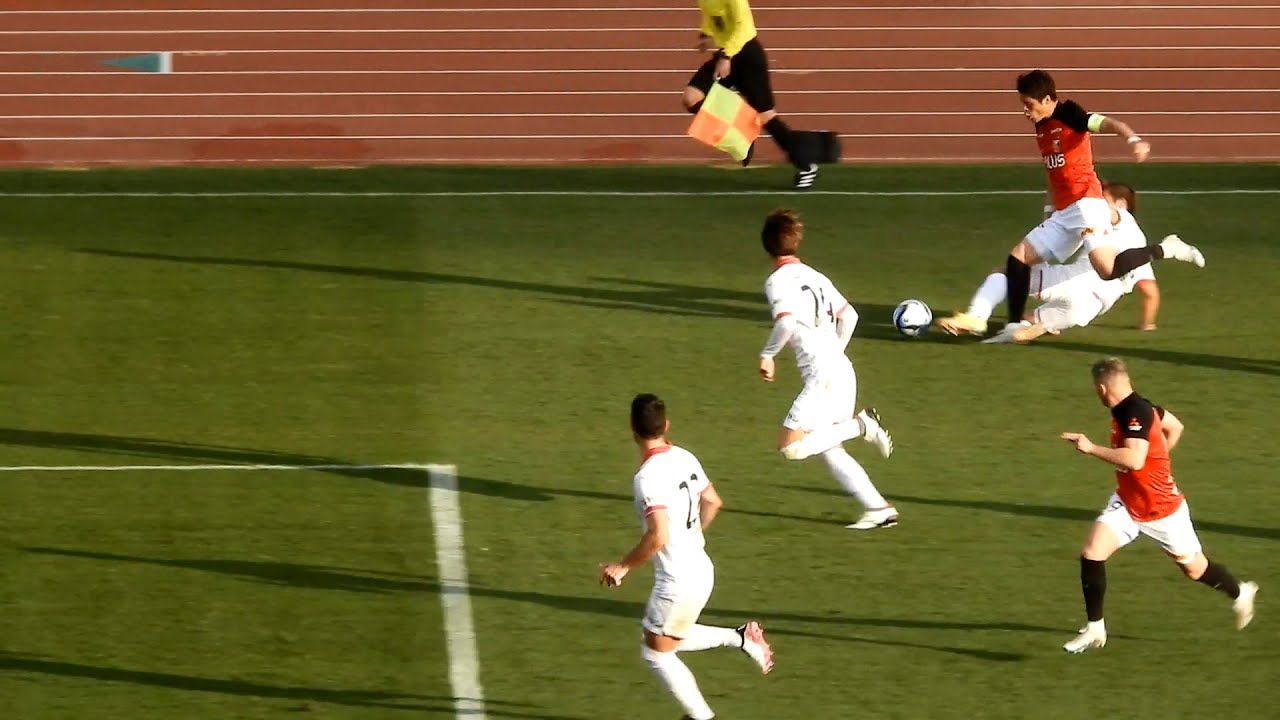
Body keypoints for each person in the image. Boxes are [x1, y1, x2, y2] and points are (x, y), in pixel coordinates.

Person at [937, 69, 1205, 337]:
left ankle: (1166, 248)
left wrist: (1133, 140)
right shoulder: (1042, 127)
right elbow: (1053, 175)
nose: (1025, 111)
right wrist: (1048, 212)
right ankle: (983, 318)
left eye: (1029, 104)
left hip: (1088, 206)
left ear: (1047, 100)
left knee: (1107, 270)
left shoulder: (1070, 115)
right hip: (1064, 213)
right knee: (1016, 261)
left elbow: (1109, 123)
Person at [1058, 358, 1258, 653]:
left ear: (1102, 389)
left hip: (1161, 510)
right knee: (1091, 553)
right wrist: (1159, 461)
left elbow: (1135, 460)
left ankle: (1241, 592)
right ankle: (1095, 628)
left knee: (1195, 569)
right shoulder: (1141, 407)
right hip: (1128, 502)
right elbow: (1175, 427)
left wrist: (1091, 448)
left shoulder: (1134, 413)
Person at [599, 393, 774, 719]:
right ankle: (740, 638)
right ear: (666, 425)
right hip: (701, 568)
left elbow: (658, 536)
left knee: (656, 654)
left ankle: (701, 716)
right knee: (663, 638)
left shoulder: (647, 478)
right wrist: (692, 535)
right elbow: (713, 501)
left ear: (633, 430)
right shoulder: (684, 457)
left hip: (677, 581)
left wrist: (622, 566)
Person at [756, 209, 898, 530]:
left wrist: (767, 355)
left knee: (791, 446)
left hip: (823, 376)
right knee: (828, 446)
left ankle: (862, 425)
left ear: (766, 246)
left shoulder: (777, 281)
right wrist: (834, 353)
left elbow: (786, 323)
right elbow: (850, 317)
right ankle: (879, 508)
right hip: (841, 369)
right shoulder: (816, 276)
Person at [944, 182, 1164, 344]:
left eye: (1103, 199)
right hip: (1088, 310)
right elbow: (1149, 292)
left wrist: (1061, 194)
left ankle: (977, 316)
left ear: (1121, 204)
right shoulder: (1139, 244)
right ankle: (1032, 327)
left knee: (1006, 272)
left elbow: (1055, 237)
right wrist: (1147, 324)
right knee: (1026, 323)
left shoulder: (1115, 217)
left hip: (1077, 283)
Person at [683, 0, 820, 190]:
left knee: (766, 117)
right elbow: (711, 16)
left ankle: (806, 166)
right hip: (727, 55)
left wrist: (726, 57)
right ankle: (745, 132)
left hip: (747, 56)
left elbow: (743, 27)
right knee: (692, 98)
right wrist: (706, 34)